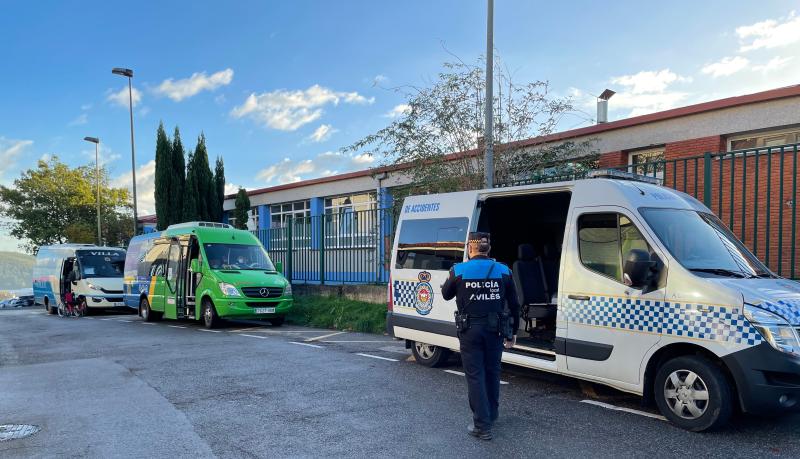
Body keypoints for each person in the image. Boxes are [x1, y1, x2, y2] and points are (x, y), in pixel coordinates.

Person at [441, 232, 519, 441]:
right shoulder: (504, 270)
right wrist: (513, 332)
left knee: (475, 375)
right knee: (492, 372)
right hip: (496, 330)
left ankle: (482, 426)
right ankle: (491, 415)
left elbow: (446, 295)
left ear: (470, 248)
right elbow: (514, 304)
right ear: (488, 248)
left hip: (470, 331)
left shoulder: (458, 270)